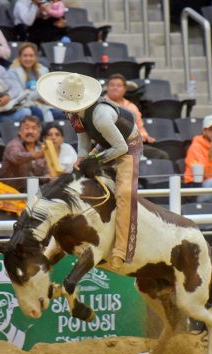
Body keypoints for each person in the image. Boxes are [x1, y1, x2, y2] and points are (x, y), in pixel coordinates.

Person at [37, 72, 143, 270]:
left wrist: (94, 159)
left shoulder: (101, 116)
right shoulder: (75, 113)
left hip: (128, 145)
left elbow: (121, 148)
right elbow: (84, 139)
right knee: (76, 179)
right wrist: (82, 158)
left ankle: (121, 250)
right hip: (106, 143)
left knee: (125, 194)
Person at [103, 73, 170, 161]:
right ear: (107, 87)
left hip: (132, 145)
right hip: (107, 145)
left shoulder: (131, 107)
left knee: (162, 156)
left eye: (119, 86)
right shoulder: (100, 105)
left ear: (124, 89)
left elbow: (140, 127)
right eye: (112, 85)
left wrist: (144, 135)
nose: (115, 88)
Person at [8, 42, 64, 121]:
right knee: (37, 112)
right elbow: (20, 95)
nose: (28, 58)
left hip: (43, 104)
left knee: (59, 114)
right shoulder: (13, 72)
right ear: (19, 57)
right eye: (25, 56)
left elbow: (48, 92)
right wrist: (38, 94)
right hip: (23, 105)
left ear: (35, 57)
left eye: (31, 56)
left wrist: (38, 96)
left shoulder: (43, 71)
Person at [0, 115, 49, 192]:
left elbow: (45, 173)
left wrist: (49, 177)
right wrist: (33, 155)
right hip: (10, 194)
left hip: (34, 192)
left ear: (39, 133)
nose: (30, 131)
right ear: (19, 132)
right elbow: (16, 157)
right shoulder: (13, 144)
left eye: (34, 128)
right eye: (26, 128)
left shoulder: (41, 147)